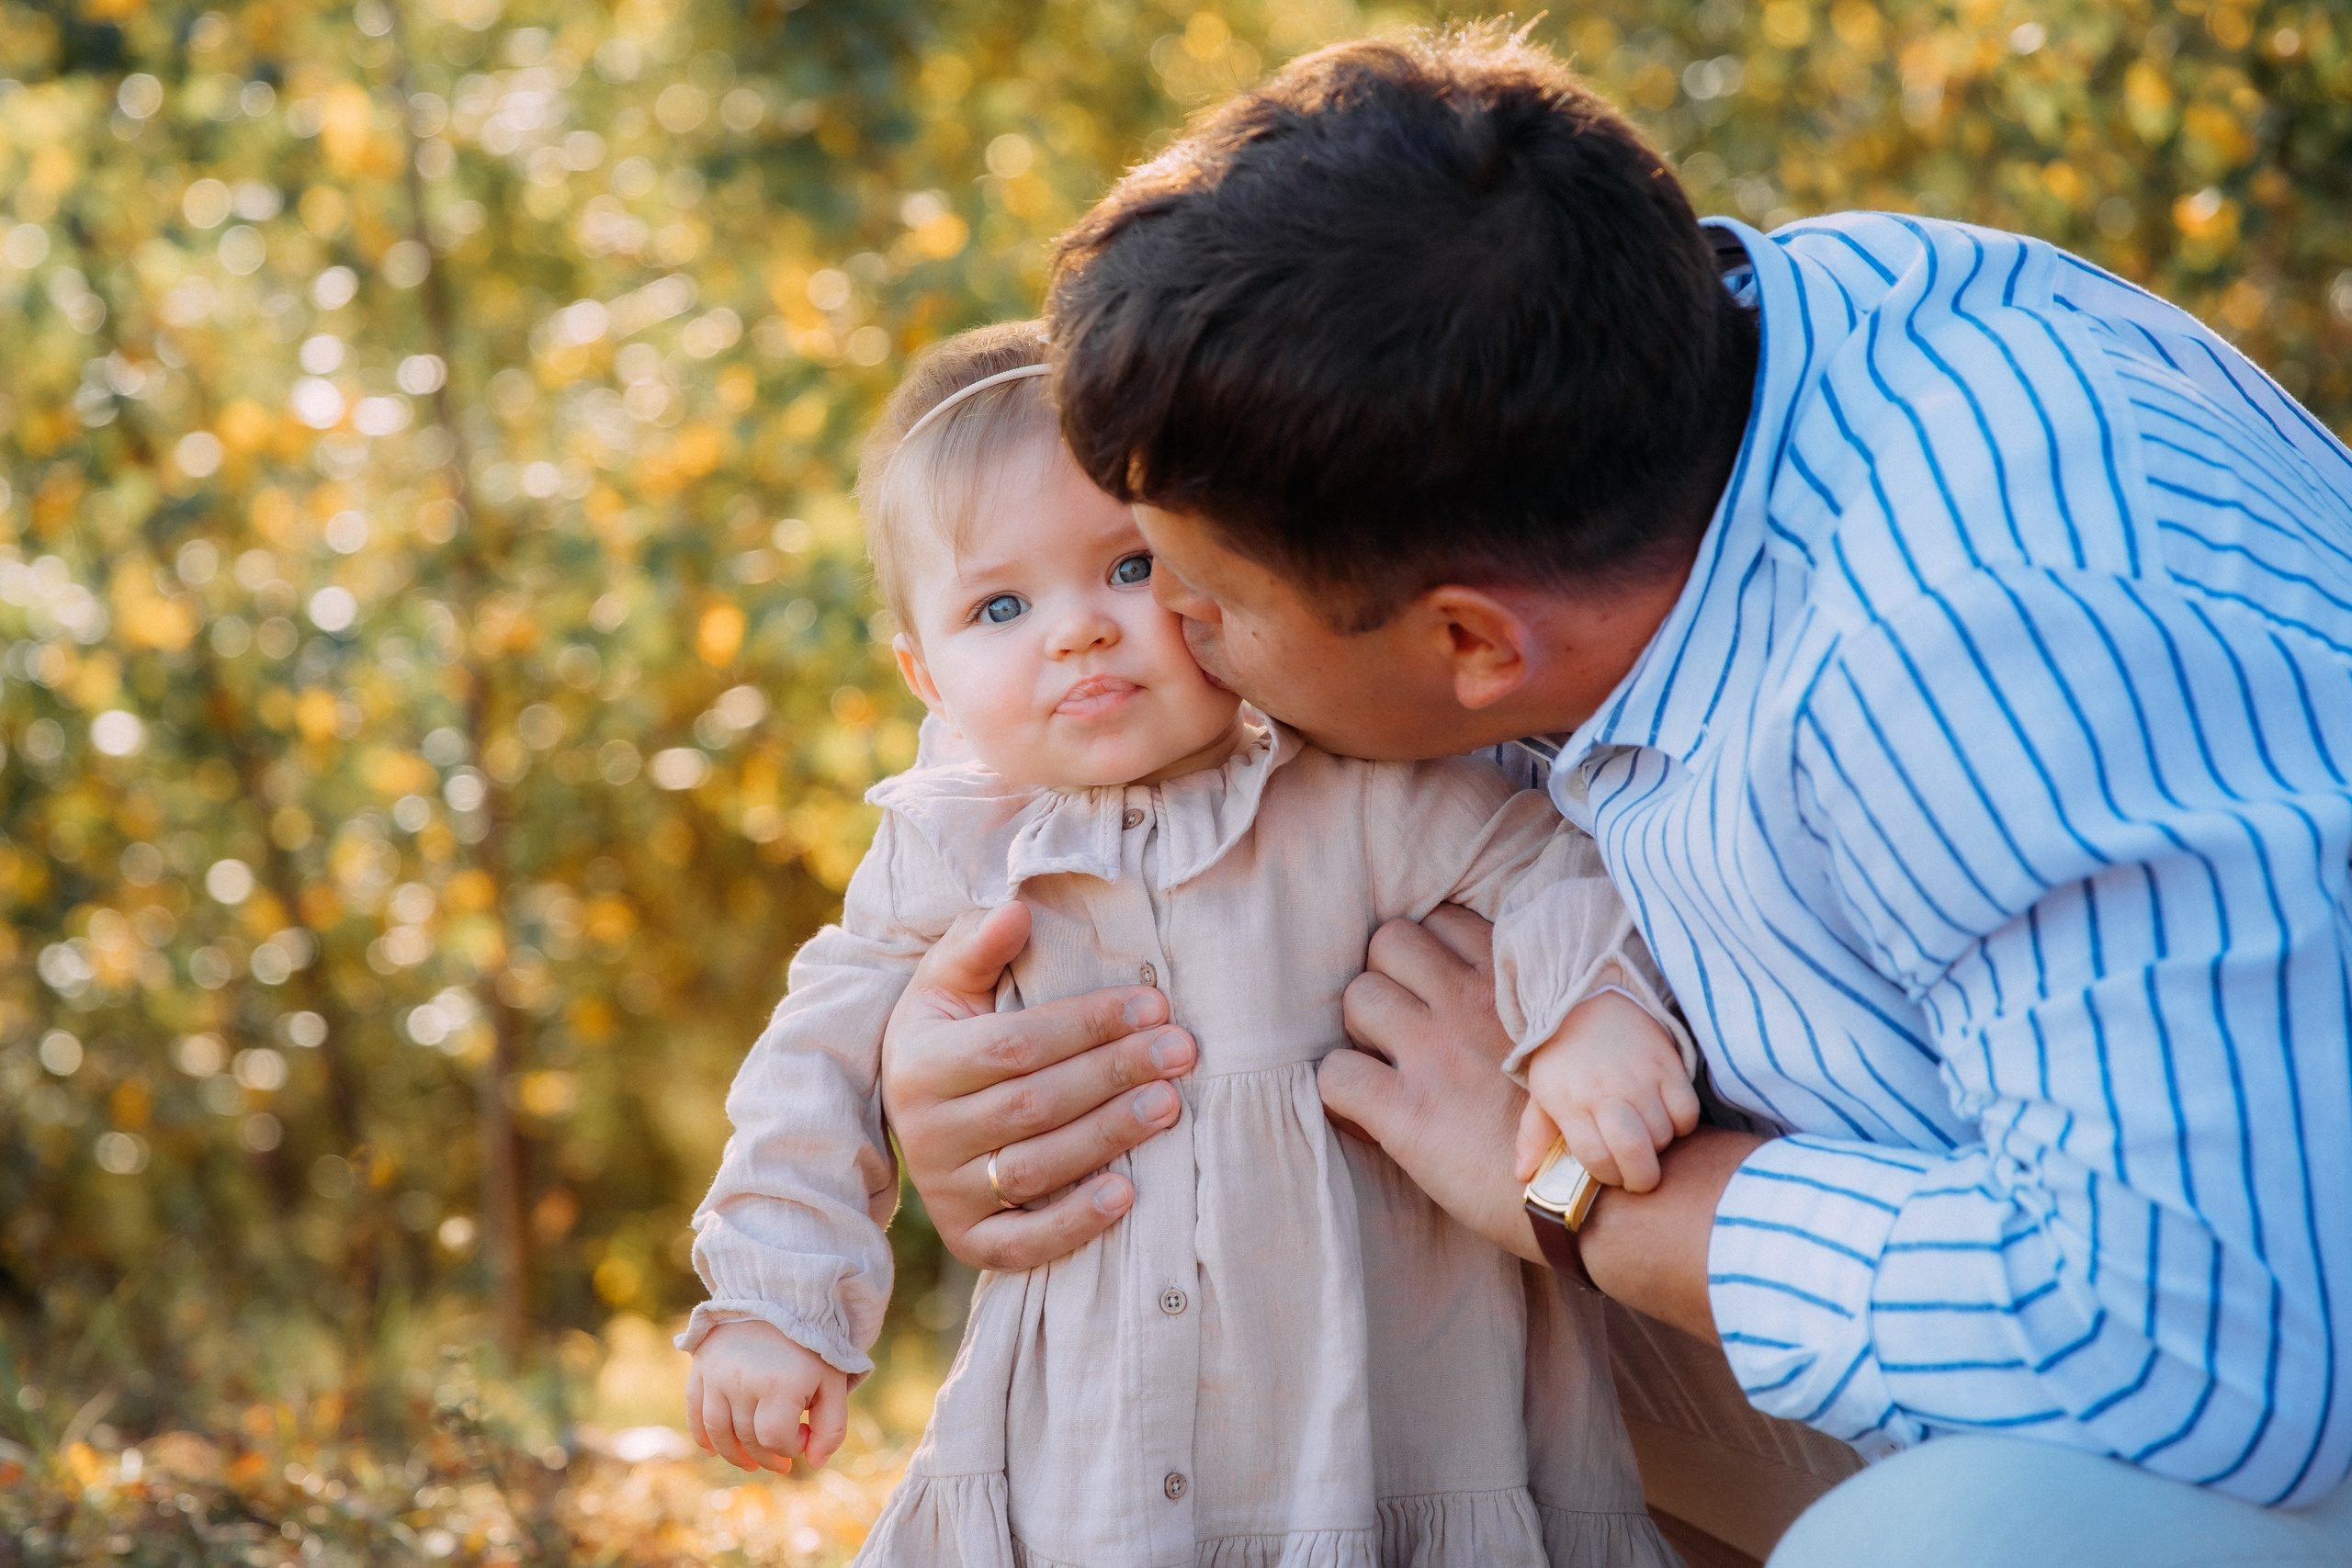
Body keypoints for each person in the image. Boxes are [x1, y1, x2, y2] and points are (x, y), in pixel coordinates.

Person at [874, 26, 2352, 1568]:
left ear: (1471, 645)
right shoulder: (1647, 384)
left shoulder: (1988, 665)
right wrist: (962, 1048)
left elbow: (2207, 1352)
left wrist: (1582, 1200)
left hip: (2265, 1361)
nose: (1158, 634)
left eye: (1202, 602)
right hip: (2025, 1259)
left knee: (1940, 1547)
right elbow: (1077, 703)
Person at [679, 320, 1705, 1566]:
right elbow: (811, 1069)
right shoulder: (951, 851)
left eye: (1129, 567)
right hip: (1092, 1447)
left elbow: (1547, 861)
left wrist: (1585, 1017)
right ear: (927, 678)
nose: (1075, 631)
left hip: (1391, 1421)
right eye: (1001, 605)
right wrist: (777, 1302)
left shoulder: (1354, 790)